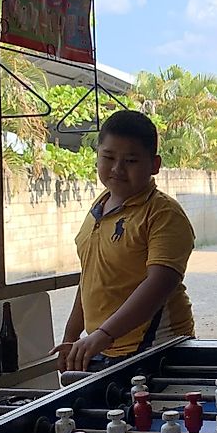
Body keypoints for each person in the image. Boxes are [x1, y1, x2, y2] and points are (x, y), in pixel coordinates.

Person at [54, 110, 195, 372]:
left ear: (154, 165)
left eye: (130, 160)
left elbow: (159, 284)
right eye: (108, 157)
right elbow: (90, 277)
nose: (117, 169)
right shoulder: (99, 206)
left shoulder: (163, 213)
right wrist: (71, 338)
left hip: (158, 350)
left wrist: (104, 333)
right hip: (104, 349)